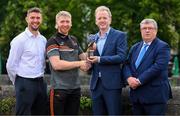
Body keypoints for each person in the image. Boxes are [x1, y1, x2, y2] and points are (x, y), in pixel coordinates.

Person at [123, 18, 172, 115]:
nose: (147, 30)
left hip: (155, 97)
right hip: (137, 97)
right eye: (144, 28)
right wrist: (128, 78)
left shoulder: (163, 47)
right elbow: (126, 64)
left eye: (150, 28)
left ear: (156, 30)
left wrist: (138, 81)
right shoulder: (135, 47)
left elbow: (158, 67)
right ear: (141, 31)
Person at [46, 11, 90, 115]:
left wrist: (91, 49)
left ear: (71, 23)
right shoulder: (52, 41)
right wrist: (79, 64)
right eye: (62, 21)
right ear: (56, 24)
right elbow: (56, 65)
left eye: (67, 21)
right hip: (59, 89)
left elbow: (84, 60)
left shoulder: (74, 40)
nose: (65, 24)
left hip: (75, 89)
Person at [6, 7, 48, 115]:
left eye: (38, 18)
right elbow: (10, 65)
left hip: (40, 82)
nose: (35, 20)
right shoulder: (19, 40)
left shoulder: (43, 40)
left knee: (41, 113)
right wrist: (18, 82)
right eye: (32, 18)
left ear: (41, 19)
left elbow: (43, 62)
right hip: (24, 82)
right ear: (27, 19)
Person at [87, 6, 127, 115]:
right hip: (95, 84)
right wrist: (87, 60)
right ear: (96, 21)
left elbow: (121, 57)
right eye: (99, 18)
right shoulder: (92, 38)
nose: (102, 21)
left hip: (112, 84)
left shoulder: (120, 35)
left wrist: (100, 59)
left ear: (110, 19)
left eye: (105, 18)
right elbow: (90, 58)